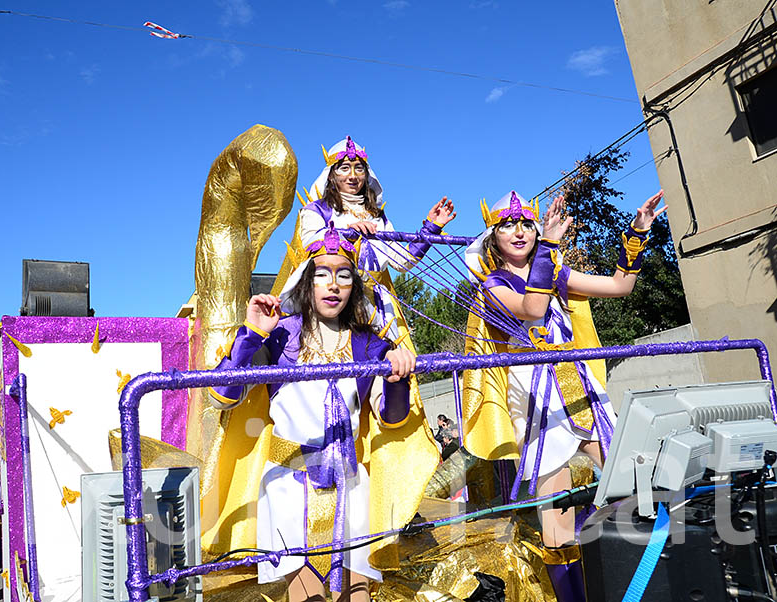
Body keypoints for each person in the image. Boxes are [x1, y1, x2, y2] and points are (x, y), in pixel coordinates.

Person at [463, 189, 666, 602]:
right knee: (557, 519)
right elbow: (533, 309)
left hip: (579, 388)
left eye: (526, 224)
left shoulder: (553, 271)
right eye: (508, 225)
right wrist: (549, 248)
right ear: (493, 237)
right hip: (537, 401)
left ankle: (646, 583)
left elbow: (619, 286)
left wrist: (637, 233)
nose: (519, 232)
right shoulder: (491, 286)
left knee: (630, 487)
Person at [208, 225, 418, 602]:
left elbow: (393, 418)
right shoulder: (280, 335)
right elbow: (223, 395)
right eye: (322, 274)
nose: (333, 284)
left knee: (356, 598)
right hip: (290, 485)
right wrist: (251, 335)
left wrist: (398, 375)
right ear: (306, 281)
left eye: (344, 275)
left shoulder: (370, 342)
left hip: (350, 484)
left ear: (354, 285)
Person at [298, 136, 456, 339]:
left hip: (380, 306)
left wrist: (431, 228)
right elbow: (310, 245)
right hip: (336, 299)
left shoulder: (377, 216)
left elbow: (401, 261)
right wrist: (348, 233)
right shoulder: (317, 211)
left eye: (359, 168)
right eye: (344, 168)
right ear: (331, 175)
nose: (353, 175)